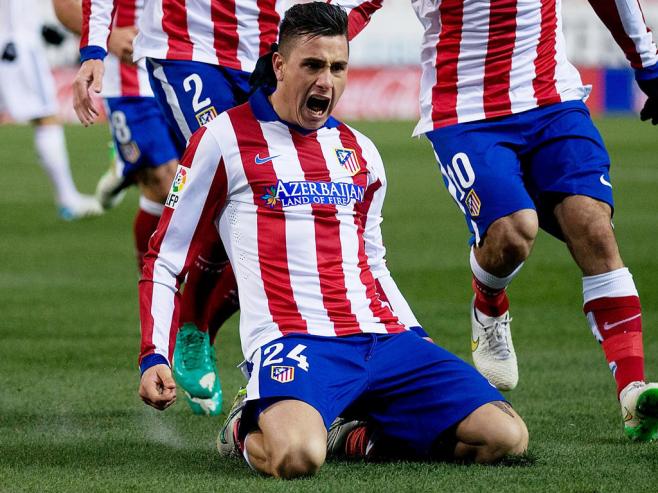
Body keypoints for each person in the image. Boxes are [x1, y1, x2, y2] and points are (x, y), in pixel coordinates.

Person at [137, 3, 529, 478]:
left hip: (383, 338)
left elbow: (374, 262)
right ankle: (245, 425)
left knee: (505, 437)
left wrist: (413, 332)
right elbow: (165, 257)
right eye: (313, 65)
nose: (327, 81)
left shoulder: (360, 149)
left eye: (338, 67)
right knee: (296, 457)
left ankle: (355, 435)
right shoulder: (222, 139)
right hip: (296, 341)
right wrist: (153, 353)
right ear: (280, 65)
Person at [341, 0, 658, 441]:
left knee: (595, 230)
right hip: (465, 112)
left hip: (551, 100)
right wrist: (306, 43)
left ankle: (633, 391)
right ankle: (489, 300)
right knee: (513, 232)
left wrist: (648, 62)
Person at [72, 0, 373, 416]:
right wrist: (93, 50)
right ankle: (192, 328)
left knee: (276, 218)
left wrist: (323, 44)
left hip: (270, 55)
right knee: (226, 190)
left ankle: (213, 333)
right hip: (187, 51)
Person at [52, 0, 179, 273]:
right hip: (128, 80)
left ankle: (125, 164)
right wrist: (108, 37)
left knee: (192, 187)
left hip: (183, 69)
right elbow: (62, 5)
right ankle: (156, 294)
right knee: (166, 184)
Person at [0, 0, 102, 220]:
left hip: (14, 39)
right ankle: (68, 199)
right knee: (47, 118)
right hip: (18, 44)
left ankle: (68, 197)